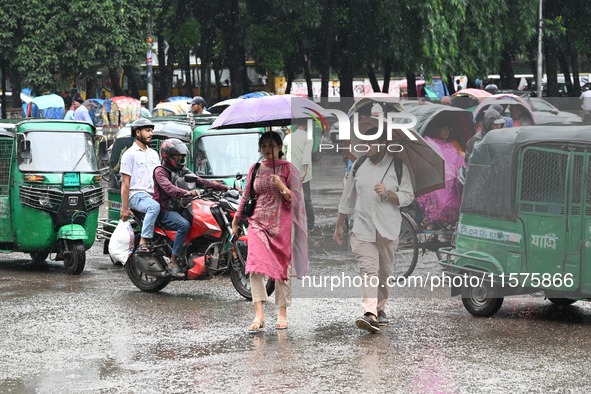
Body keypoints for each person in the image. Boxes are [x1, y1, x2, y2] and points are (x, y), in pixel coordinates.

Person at [334, 130, 414, 333]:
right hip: (362, 228)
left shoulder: (397, 166)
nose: (366, 146)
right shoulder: (359, 165)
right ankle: (369, 313)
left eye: (371, 142)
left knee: (384, 272)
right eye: (365, 142)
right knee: (369, 270)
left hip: (388, 228)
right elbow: (348, 197)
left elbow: (408, 196)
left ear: (383, 143)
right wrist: (339, 225)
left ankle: (379, 309)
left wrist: (388, 194)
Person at [231, 131, 308, 332]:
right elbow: (247, 194)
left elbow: (297, 199)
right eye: (264, 146)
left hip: (282, 225)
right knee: (255, 265)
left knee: (283, 268)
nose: (267, 149)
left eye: (271, 145)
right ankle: (259, 314)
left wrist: (281, 185)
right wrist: (237, 219)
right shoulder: (255, 168)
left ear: (280, 146)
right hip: (257, 223)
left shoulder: (288, 169)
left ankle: (282, 311)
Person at [153, 139, 230, 277]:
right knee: (184, 225)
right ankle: (173, 261)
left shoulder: (183, 170)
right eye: (177, 156)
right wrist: (187, 193)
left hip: (181, 207)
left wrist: (226, 188)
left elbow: (201, 181)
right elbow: (170, 189)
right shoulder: (160, 171)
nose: (181, 158)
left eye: (182, 156)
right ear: (167, 156)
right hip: (165, 210)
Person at [119, 119, 161, 253]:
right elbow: (125, 183)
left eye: (151, 131)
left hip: (152, 196)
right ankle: (144, 240)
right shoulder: (129, 154)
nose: (151, 134)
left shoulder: (154, 154)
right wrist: (124, 208)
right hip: (136, 196)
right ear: (138, 132)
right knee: (153, 207)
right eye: (147, 131)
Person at [283, 118, 315, 233]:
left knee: (290, 198)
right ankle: (310, 226)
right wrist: (305, 172)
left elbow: (283, 155)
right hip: (303, 175)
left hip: (290, 173)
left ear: (296, 124)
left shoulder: (288, 137)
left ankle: (293, 223)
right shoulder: (308, 137)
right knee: (306, 199)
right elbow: (306, 156)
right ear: (306, 125)